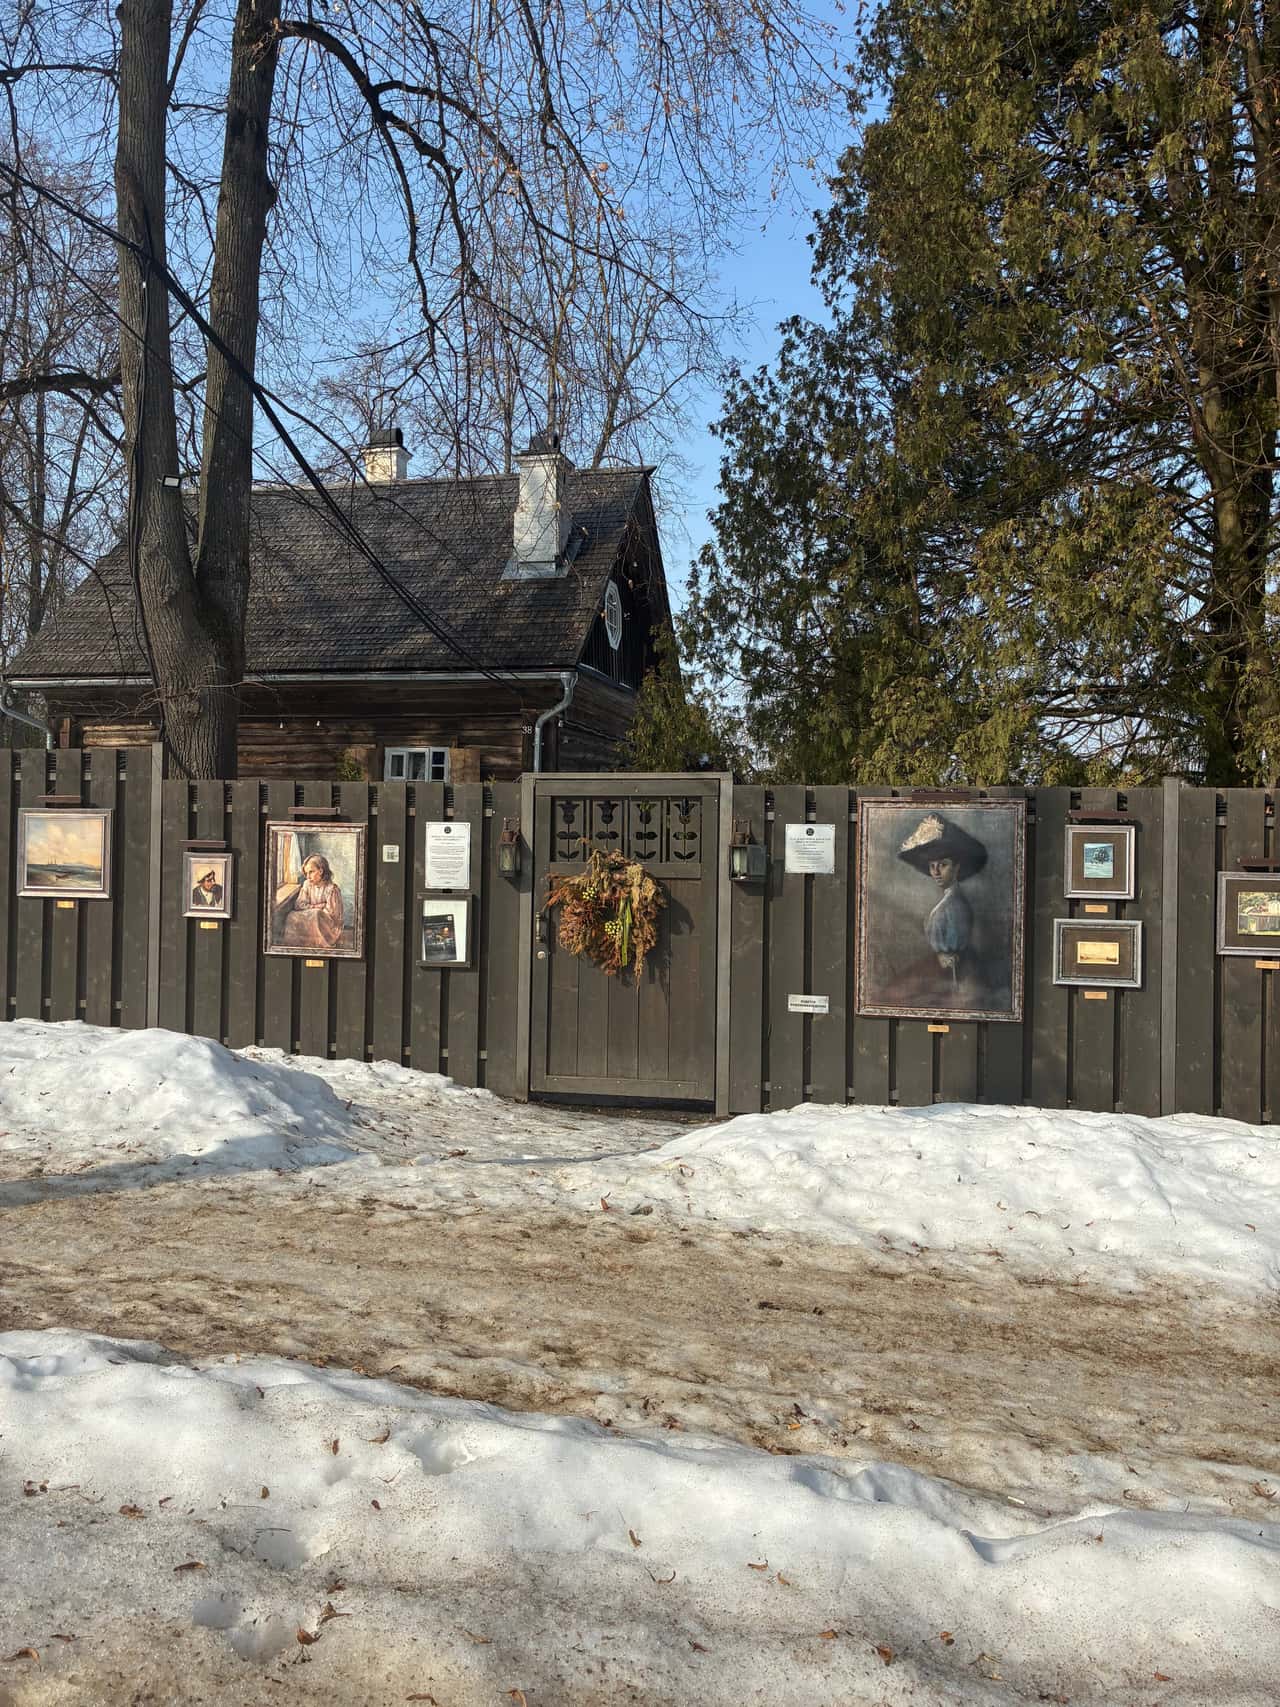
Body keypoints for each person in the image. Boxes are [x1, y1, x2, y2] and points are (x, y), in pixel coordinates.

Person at [887, 813, 995, 1007]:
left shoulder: (956, 905)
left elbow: (954, 954)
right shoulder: (948, 900)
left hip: (954, 972)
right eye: (932, 866)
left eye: (943, 865)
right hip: (939, 967)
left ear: (957, 868)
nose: (936, 872)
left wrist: (946, 960)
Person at [273, 852, 345, 950]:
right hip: (312, 916)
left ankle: (319, 943)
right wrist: (318, 906)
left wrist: (315, 910)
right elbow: (299, 904)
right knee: (291, 916)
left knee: (315, 915)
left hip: (328, 925)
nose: (308, 876)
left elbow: (332, 914)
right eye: (306, 873)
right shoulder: (307, 884)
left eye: (311, 872)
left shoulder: (331, 889)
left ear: (320, 871)